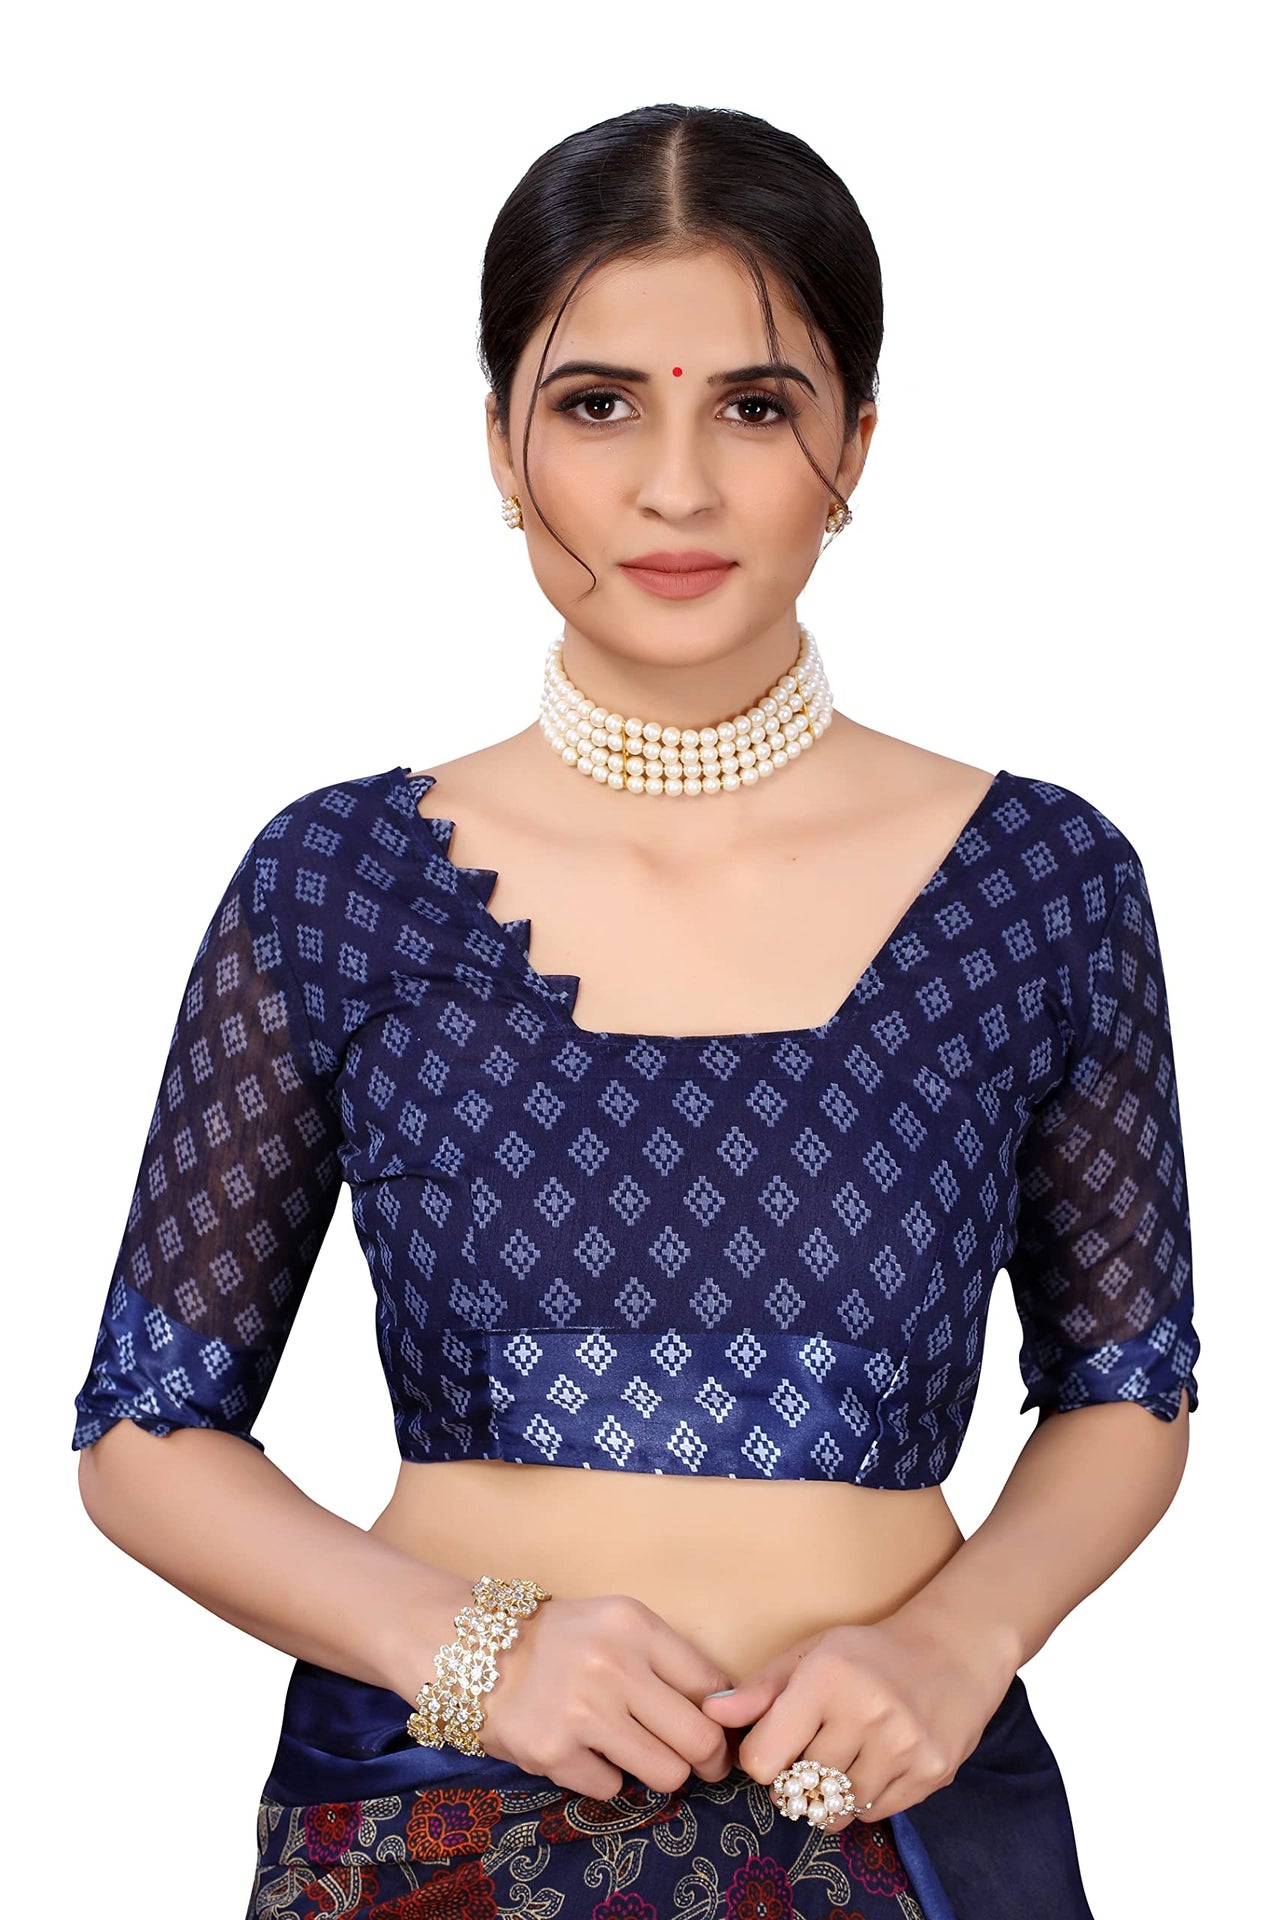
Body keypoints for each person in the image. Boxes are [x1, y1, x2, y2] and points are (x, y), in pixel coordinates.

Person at [71, 103, 1200, 1920]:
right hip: (440, 1821)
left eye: (754, 406)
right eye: (599, 404)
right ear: (502, 449)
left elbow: (1127, 1387)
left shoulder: (1039, 883)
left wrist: (965, 1638)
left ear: (855, 447)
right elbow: (145, 1429)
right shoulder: (341, 880)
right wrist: (470, 1650)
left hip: (900, 1819)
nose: (678, 488)